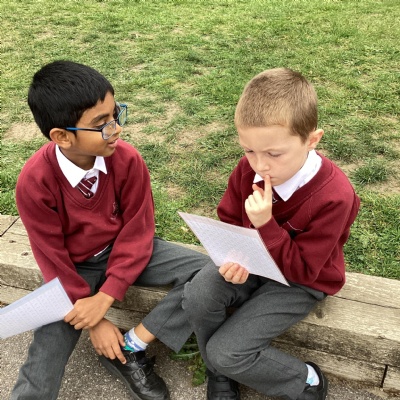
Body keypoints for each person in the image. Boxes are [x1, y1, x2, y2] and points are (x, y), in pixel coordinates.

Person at [11, 60, 212, 400]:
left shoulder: (127, 160)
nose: (116, 129)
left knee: (210, 273)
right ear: (62, 136)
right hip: (74, 271)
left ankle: (131, 346)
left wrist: (105, 299)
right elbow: (53, 258)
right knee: (42, 362)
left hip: (129, 252)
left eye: (116, 115)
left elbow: (138, 231)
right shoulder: (35, 182)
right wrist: (94, 319)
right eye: (101, 124)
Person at [182, 68, 360, 400]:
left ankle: (305, 380)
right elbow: (229, 217)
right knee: (198, 294)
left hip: (301, 282)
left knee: (226, 352)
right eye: (249, 150)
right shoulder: (247, 170)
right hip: (252, 264)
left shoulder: (335, 196)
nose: (259, 165)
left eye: (274, 154)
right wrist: (233, 255)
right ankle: (218, 370)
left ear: (311, 140)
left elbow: (304, 270)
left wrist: (266, 225)